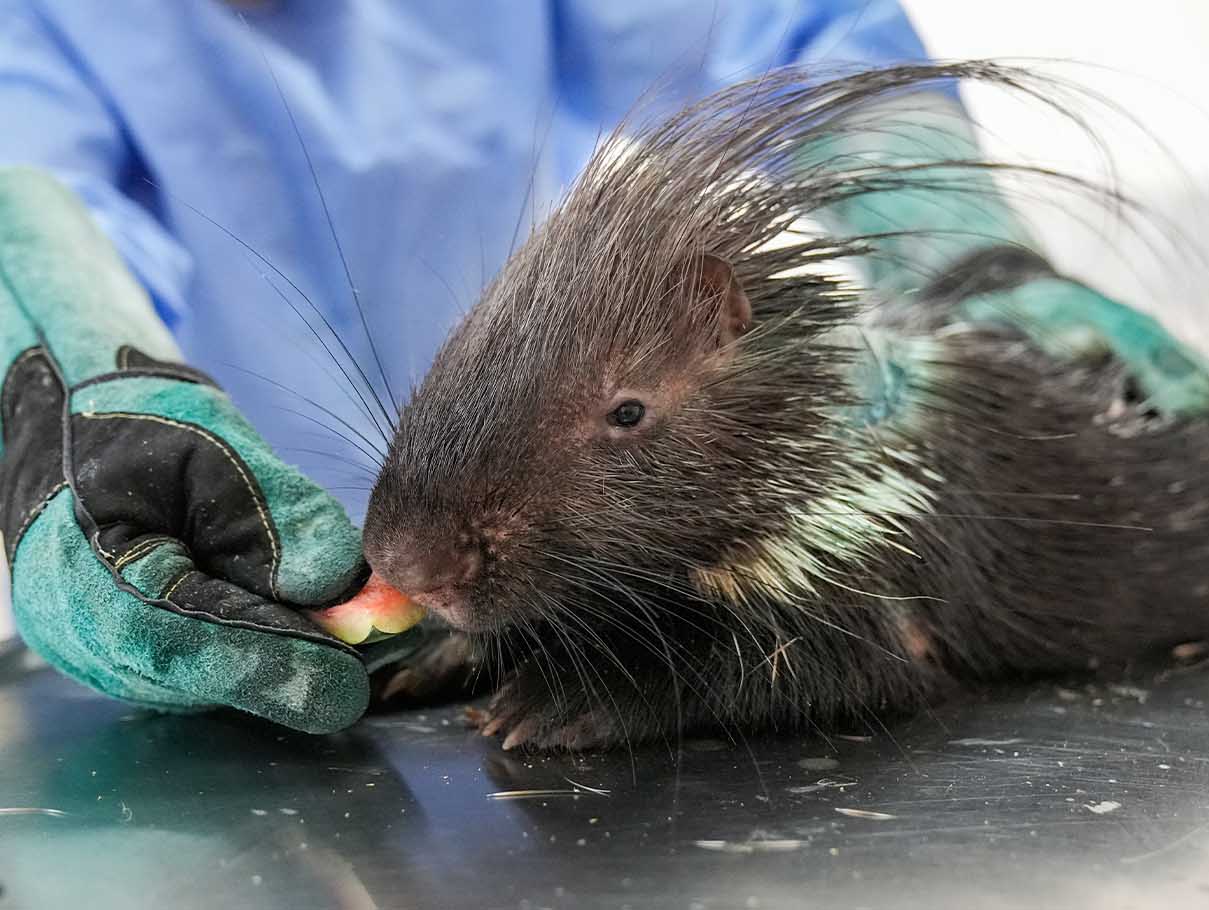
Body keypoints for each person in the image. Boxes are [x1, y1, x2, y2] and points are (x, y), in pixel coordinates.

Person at [0, 0, 939, 731]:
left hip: (579, 533)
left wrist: (954, 234)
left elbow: (782, 25)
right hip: (251, 532)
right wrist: (72, 389)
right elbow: (31, 205)